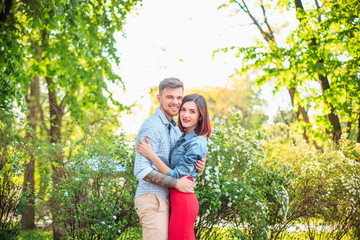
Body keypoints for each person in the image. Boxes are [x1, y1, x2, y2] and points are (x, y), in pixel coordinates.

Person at [133, 78, 207, 240]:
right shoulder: (152, 127)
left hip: (169, 199)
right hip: (152, 199)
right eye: (169, 97)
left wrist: (197, 167)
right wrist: (175, 183)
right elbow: (141, 169)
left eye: (179, 98)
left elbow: (181, 165)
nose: (175, 102)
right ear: (159, 98)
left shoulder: (175, 130)